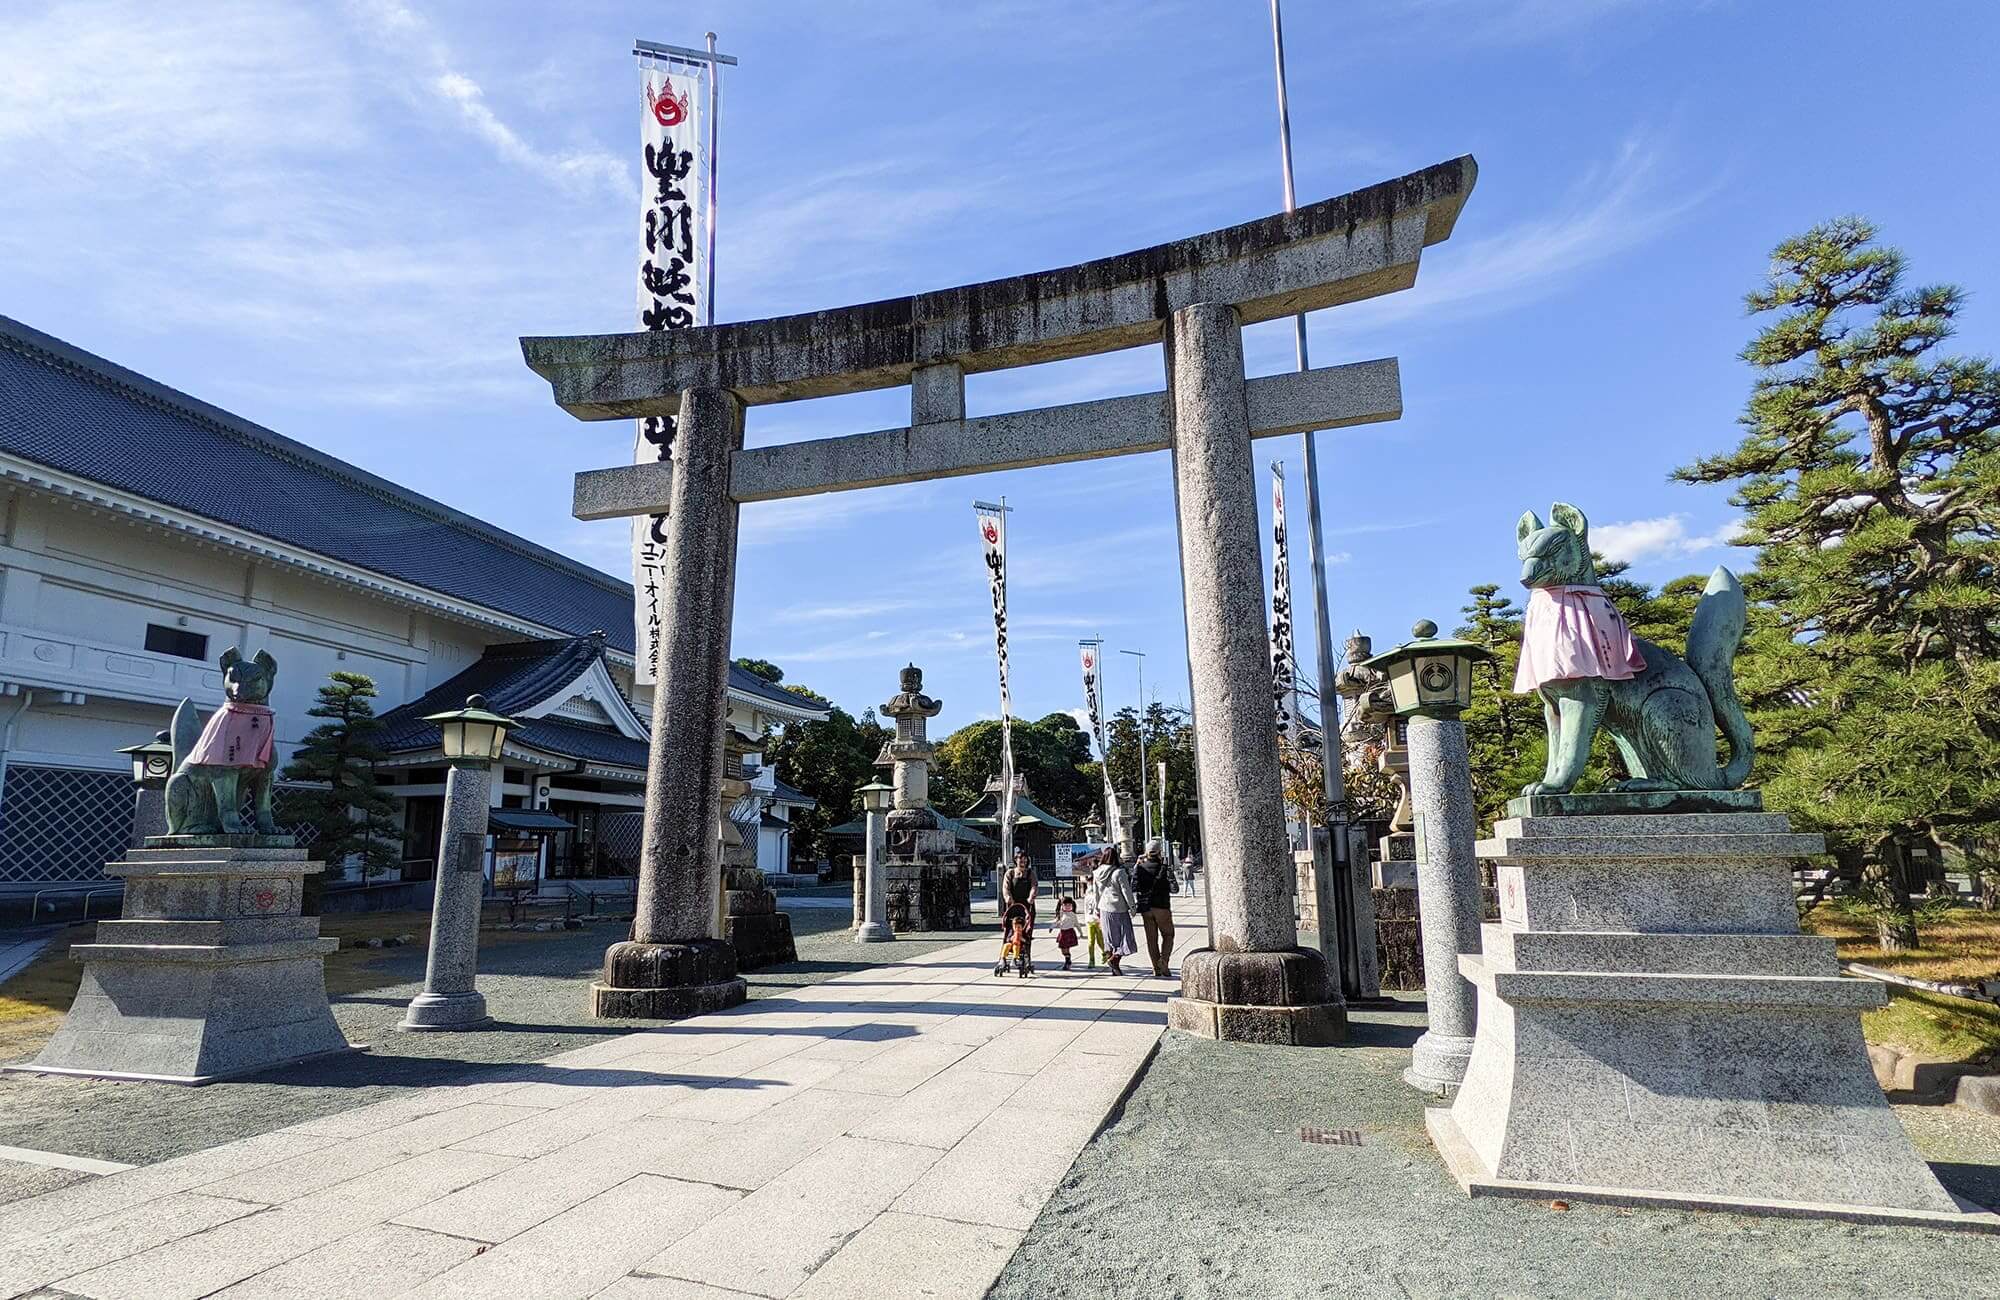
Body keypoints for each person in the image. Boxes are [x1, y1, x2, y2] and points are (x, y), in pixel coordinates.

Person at [1133, 838, 1178, 978]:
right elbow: (1174, 889)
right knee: (1168, 935)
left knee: (1151, 939)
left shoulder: (1140, 868)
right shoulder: (1164, 868)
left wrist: (1136, 866)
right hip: (1162, 906)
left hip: (1146, 907)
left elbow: (1133, 886)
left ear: (1146, 853)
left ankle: (1155, 968)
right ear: (1160, 852)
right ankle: (1164, 961)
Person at [1093, 845, 1139, 976]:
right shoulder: (1119, 872)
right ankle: (1114, 960)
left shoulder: (1096, 873)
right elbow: (1126, 891)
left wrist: (1096, 908)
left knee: (1111, 939)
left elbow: (1096, 893)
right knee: (1125, 937)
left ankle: (1115, 967)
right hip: (1119, 908)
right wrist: (1133, 907)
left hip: (1104, 908)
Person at [1000, 847, 1038, 937]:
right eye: (1021, 860)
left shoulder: (1030, 873)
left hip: (1027, 905)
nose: (1023, 863)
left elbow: (1034, 886)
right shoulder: (1010, 873)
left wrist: (1031, 897)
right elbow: (1006, 888)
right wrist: (1009, 898)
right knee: (1011, 928)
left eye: (1025, 861)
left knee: (1026, 928)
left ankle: (1025, 946)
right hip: (1013, 904)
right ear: (1016, 860)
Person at [1051, 895, 1080, 970]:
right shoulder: (1061, 914)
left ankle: (1067, 961)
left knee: (1066, 947)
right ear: (1062, 905)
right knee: (1062, 949)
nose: (1067, 906)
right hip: (1062, 933)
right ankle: (1067, 958)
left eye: (1069, 905)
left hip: (1069, 932)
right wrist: (1052, 927)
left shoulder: (1072, 915)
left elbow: (1077, 924)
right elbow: (1057, 922)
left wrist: (1080, 932)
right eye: (1065, 905)